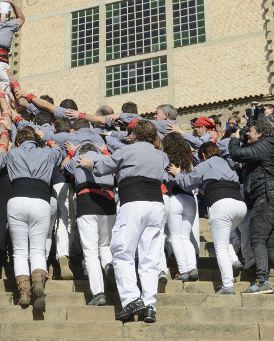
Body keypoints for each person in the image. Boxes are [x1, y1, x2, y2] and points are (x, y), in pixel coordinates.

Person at [79, 120, 167, 323]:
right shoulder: (160, 154)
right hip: (156, 205)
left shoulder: (128, 150)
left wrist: (87, 163)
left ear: (135, 135)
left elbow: (103, 166)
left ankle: (131, 300)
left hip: (134, 203)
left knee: (122, 252)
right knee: (149, 257)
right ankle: (150, 306)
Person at [169, 141, 249, 294]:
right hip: (240, 205)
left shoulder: (204, 165)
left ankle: (227, 285)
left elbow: (187, 183)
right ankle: (234, 260)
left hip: (221, 204)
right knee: (226, 236)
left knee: (220, 247)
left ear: (204, 155)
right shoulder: (226, 164)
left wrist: (177, 174)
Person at [228, 119, 274, 294]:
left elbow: (236, 153)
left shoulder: (265, 145)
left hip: (267, 199)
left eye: (250, 130)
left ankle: (263, 280)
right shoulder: (270, 146)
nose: (247, 133)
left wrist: (234, 138)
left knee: (257, 239)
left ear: (260, 133)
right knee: (270, 244)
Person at [4, 127, 62, 312]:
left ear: (19, 141)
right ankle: (38, 285)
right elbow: (59, 153)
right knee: (37, 249)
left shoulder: (13, 152)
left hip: (17, 199)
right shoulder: (48, 152)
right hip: (41, 200)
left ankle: (24, 292)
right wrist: (48, 140)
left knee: (20, 251)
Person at [63, 142, 116, 306]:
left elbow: (63, 168)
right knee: (105, 245)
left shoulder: (78, 159)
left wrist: (72, 152)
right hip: (109, 204)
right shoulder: (108, 159)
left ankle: (99, 293)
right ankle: (108, 265)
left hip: (87, 203)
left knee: (91, 251)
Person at [161, 132, 199, 282]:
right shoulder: (188, 160)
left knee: (176, 237)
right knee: (185, 237)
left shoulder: (166, 159)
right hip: (190, 198)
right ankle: (193, 268)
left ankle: (183, 270)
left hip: (174, 197)